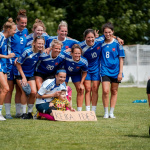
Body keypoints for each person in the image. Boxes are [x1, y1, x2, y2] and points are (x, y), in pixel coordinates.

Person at [4, 9, 28, 119]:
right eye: (22, 23)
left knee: (20, 89)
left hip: (20, 64)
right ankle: (8, 113)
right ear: (17, 22)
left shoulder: (26, 31)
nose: (23, 25)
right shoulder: (11, 31)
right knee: (9, 88)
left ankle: (18, 112)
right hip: (9, 64)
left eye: (25, 23)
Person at [15, 36, 45, 119]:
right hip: (20, 74)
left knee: (33, 92)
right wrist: (23, 77)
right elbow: (18, 63)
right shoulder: (26, 51)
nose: (40, 45)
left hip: (30, 74)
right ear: (34, 43)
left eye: (42, 44)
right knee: (24, 91)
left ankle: (29, 113)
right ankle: (23, 113)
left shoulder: (41, 52)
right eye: (39, 43)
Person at [100, 22, 125, 118]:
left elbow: (121, 59)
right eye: (105, 32)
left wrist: (120, 73)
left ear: (112, 32)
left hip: (116, 71)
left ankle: (111, 112)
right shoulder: (101, 43)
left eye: (109, 32)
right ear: (103, 33)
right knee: (105, 91)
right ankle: (106, 112)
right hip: (105, 70)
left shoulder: (118, 44)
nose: (107, 34)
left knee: (114, 91)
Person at [78, 29, 105, 113]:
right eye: (88, 37)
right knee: (88, 89)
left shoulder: (99, 41)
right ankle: (87, 110)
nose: (90, 39)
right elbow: (74, 51)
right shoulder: (81, 46)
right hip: (86, 70)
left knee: (95, 89)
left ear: (95, 37)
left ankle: (93, 111)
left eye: (92, 37)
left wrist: (118, 38)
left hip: (96, 69)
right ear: (85, 38)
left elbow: (109, 35)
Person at [62, 44, 88, 111]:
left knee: (81, 90)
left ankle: (79, 110)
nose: (77, 55)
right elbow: (59, 52)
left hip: (76, 74)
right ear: (71, 53)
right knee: (62, 89)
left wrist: (81, 83)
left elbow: (85, 72)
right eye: (75, 53)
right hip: (65, 73)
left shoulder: (84, 61)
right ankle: (62, 108)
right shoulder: (67, 55)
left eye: (79, 53)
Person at [0, 18, 16, 121]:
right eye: (14, 30)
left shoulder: (5, 38)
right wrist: (7, 57)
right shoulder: (0, 37)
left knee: (3, 90)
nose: (15, 32)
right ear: (8, 29)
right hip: (0, 65)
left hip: (3, 66)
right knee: (6, 89)